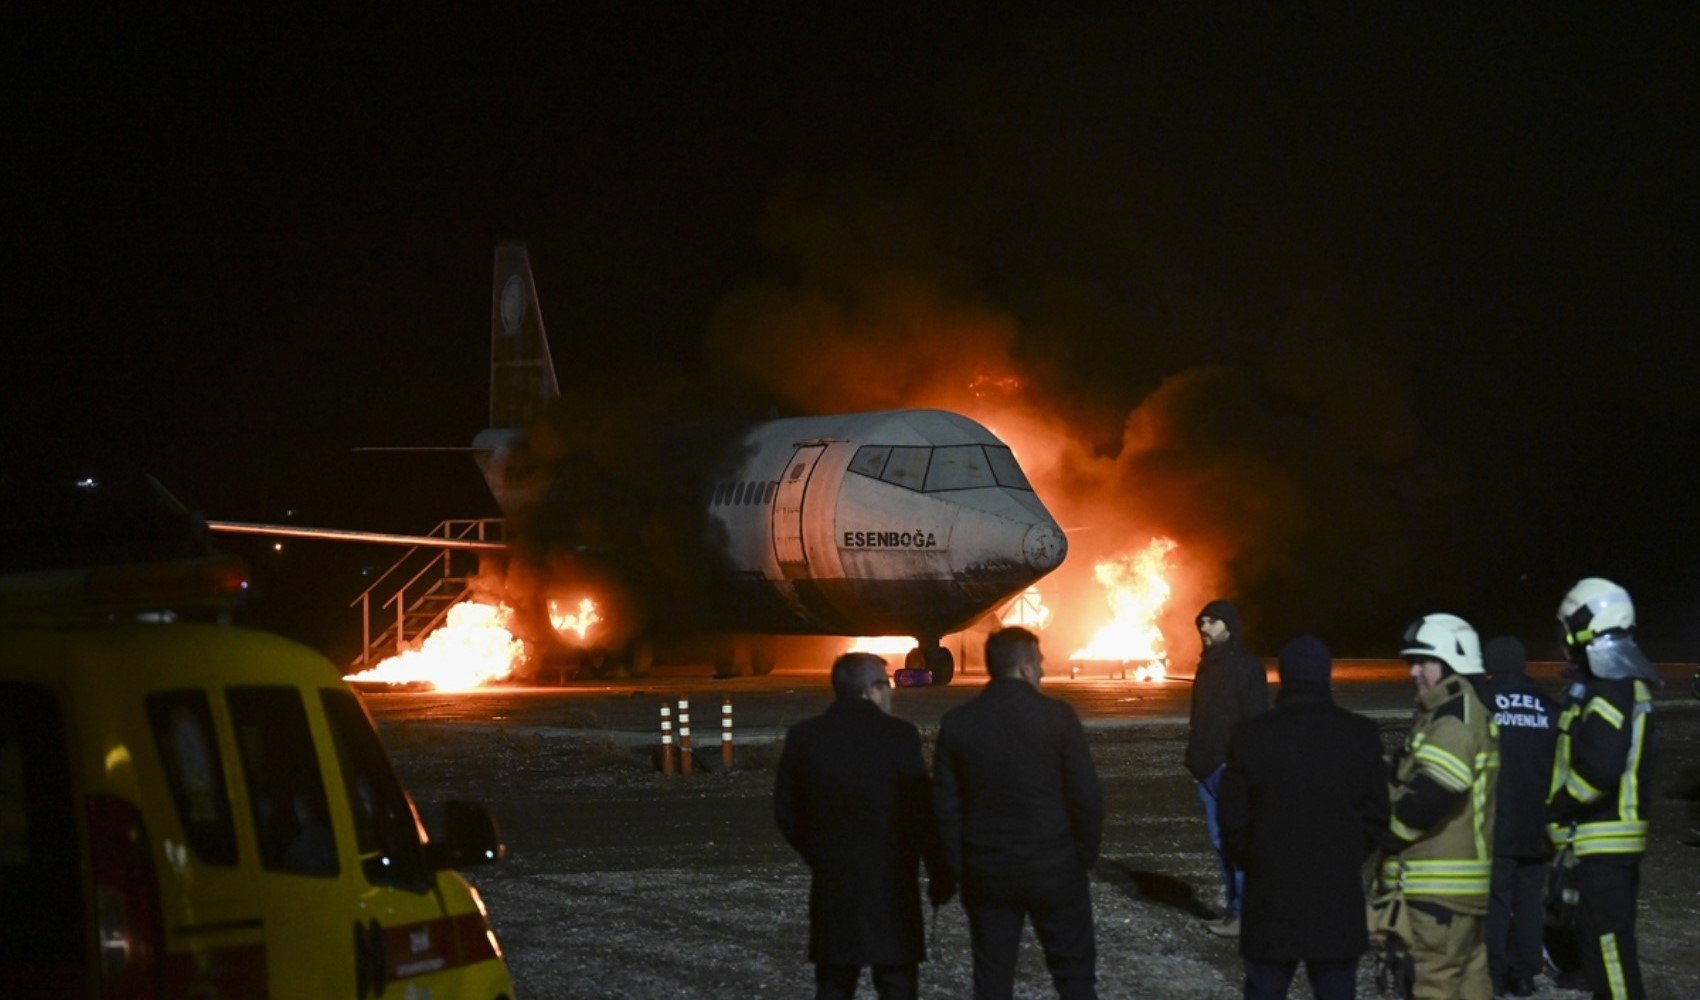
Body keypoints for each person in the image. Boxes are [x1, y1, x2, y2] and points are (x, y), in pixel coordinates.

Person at [932, 627, 1103, 999]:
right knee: (1074, 977)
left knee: (992, 979)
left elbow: (945, 808)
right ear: (1025, 668)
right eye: (1039, 664)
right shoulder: (1058, 717)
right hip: (1055, 868)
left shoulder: (958, 723)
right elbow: (1086, 795)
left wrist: (961, 867)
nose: (1042, 672)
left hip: (988, 871)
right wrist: (1083, 856)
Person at [1219, 635, 1390, 1000]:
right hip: (1335, 897)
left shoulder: (1251, 735)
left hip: (1270, 897)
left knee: (1265, 988)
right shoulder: (1359, 734)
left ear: (1283, 676)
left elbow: (1232, 817)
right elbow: (1378, 813)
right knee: (1336, 989)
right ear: (1325, 675)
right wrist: (1349, 854)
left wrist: (1255, 858)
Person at [775, 652, 952, 999]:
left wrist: (819, 853)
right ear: (872, 689)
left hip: (834, 885)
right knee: (897, 983)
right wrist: (940, 873)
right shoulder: (900, 735)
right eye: (886, 685)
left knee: (834, 984)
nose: (890, 694)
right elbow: (921, 812)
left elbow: (786, 811)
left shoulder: (804, 737)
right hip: (893, 887)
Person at [1379, 613, 1499, 1000]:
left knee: (1433, 985)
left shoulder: (1453, 719)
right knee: (1470, 983)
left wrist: (1390, 835)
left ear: (1451, 661)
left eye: (1422, 662)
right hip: (1460, 889)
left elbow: (1432, 796)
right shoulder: (1454, 711)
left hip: (1437, 890)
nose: (1413, 671)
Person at [1548, 578, 1657, 1000]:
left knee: (1608, 953)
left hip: (1603, 845)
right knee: (1602, 950)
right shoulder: (1622, 682)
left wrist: (1557, 807)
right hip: (1610, 844)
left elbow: (1600, 768)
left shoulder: (1610, 687)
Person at [1184, 599, 1269, 937]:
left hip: (1230, 769)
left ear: (1229, 627)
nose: (1204, 628)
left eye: (1212, 622)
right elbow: (1199, 716)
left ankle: (1245, 914)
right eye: (1202, 622)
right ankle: (1234, 912)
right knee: (1222, 844)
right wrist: (1195, 757)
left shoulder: (1246, 667)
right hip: (1205, 770)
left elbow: (1255, 719)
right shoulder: (1206, 666)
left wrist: (1243, 765)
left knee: (1238, 843)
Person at [1479, 636, 1558, 997]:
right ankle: (1525, 973)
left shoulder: (1484, 701)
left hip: (1497, 820)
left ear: (1490, 664)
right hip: (1538, 822)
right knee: (1529, 900)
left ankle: (1494, 975)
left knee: (1496, 902)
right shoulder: (1548, 705)